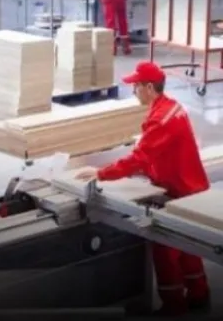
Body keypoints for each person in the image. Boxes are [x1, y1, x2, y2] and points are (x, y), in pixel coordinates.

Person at [75, 62, 211, 316]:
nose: (133, 91)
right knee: (189, 247)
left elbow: (140, 157)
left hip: (178, 191)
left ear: (149, 87)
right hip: (189, 185)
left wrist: (100, 173)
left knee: (165, 248)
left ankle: (174, 307)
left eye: (136, 86)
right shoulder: (170, 107)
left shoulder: (160, 120)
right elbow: (159, 153)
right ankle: (199, 294)